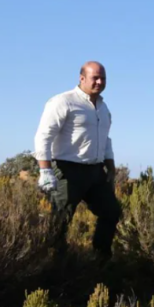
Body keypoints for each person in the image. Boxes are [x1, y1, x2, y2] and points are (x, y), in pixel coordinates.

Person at [33, 61, 121, 260]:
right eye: (95, 78)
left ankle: (100, 259)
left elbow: (105, 139)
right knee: (59, 220)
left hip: (95, 172)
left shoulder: (103, 107)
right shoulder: (63, 102)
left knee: (111, 212)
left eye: (103, 78)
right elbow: (43, 136)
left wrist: (111, 168)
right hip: (67, 171)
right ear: (82, 78)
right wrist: (45, 171)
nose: (99, 82)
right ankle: (54, 264)